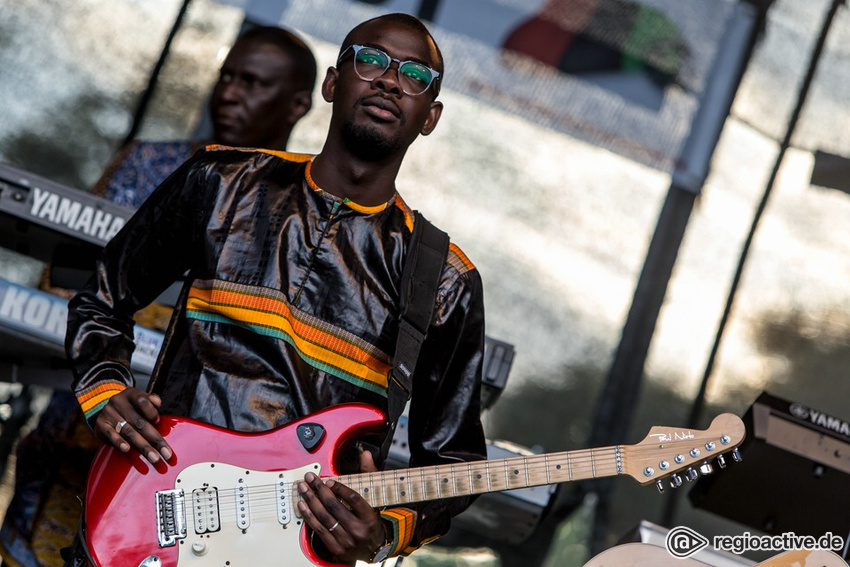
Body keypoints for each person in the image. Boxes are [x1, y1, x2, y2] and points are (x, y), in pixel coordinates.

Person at [65, 12, 486, 565]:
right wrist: (104, 389)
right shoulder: (219, 182)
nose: (388, 80)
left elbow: (454, 462)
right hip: (151, 514)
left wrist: (384, 533)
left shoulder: (445, 280)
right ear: (333, 84)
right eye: (372, 60)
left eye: (414, 75)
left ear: (429, 117)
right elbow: (102, 296)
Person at [0, 26, 317, 567]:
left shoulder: (304, 215)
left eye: (252, 83)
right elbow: (65, 286)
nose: (230, 93)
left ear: (298, 104)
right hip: (77, 447)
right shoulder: (145, 163)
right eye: (226, 77)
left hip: (198, 492)